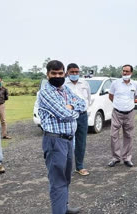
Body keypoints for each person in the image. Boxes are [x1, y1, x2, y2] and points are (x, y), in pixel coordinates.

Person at [38, 60, 85, 214]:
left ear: (64, 73)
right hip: (54, 141)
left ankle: (63, 208)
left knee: (66, 178)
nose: (57, 76)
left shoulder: (65, 89)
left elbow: (82, 104)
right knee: (57, 181)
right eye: (54, 73)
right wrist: (72, 109)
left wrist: (71, 107)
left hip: (68, 140)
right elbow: (65, 114)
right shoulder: (45, 92)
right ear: (47, 74)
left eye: (60, 73)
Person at [108, 64, 137, 167]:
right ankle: (115, 158)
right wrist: (119, 105)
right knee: (113, 135)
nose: (125, 73)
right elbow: (111, 96)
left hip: (130, 113)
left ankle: (127, 158)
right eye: (123, 71)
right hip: (117, 113)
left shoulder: (135, 84)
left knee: (128, 136)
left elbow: (135, 97)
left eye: (127, 71)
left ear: (131, 73)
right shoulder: (115, 83)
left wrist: (127, 106)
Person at [65, 63, 91, 176]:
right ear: (67, 72)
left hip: (82, 116)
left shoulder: (84, 83)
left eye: (76, 72)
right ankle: (66, 167)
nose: (74, 74)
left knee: (81, 142)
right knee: (66, 142)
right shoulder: (63, 84)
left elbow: (88, 98)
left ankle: (79, 166)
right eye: (72, 72)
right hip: (68, 116)